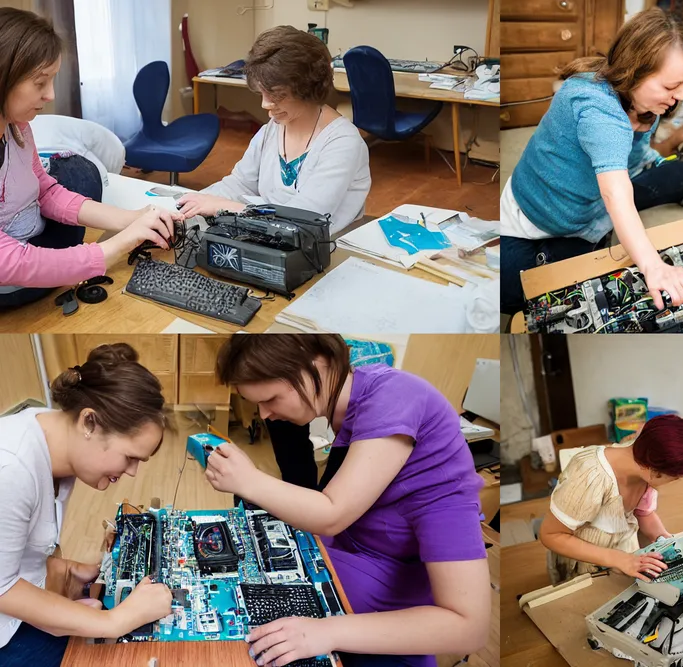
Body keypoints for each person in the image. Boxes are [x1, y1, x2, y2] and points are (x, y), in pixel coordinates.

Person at [203, 335, 488, 667]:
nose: (264, 414)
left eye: (271, 399)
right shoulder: (355, 405)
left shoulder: (395, 396)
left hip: (390, 608)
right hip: (349, 563)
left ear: (317, 365)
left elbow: (470, 628)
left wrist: (249, 480)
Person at [499, 7, 683, 316]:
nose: (681, 95)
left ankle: (600, 237)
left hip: (596, 200)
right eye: (670, 86)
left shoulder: (645, 104)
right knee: (520, 294)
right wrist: (653, 265)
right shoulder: (599, 110)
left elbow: (631, 162)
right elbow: (615, 192)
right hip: (535, 219)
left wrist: (655, 155)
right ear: (633, 71)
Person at [0, 344, 172, 667]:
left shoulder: (55, 444)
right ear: (89, 423)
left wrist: (61, 569)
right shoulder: (11, 468)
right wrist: (116, 621)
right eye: (130, 456)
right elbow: (2, 588)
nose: (132, 471)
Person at [0, 8, 180, 309]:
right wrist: (121, 243)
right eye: (40, 82)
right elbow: (10, 264)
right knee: (77, 176)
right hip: (9, 273)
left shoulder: (19, 129)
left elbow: (45, 191)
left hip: (29, 241)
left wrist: (131, 219)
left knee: (79, 174)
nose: (51, 95)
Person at [176, 26, 371, 232]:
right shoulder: (272, 130)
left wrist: (225, 207)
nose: (265, 104)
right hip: (271, 236)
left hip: (328, 249)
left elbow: (305, 218)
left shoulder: (343, 142)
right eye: (262, 93)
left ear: (306, 88)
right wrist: (188, 204)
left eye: (276, 94)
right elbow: (240, 183)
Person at [540, 414, 683, 583]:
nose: (675, 482)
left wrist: (664, 539)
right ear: (655, 471)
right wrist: (619, 559)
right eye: (676, 477)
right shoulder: (591, 477)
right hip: (584, 562)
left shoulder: (643, 463)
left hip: (622, 553)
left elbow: (644, 512)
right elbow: (551, 535)